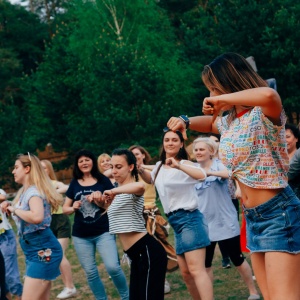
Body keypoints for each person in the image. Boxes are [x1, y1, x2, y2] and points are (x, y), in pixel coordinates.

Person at [167, 52, 300, 300]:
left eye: (215, 89)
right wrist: (185, 121)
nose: (212, 97)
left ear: (232, 83)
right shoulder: (229, 121)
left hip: (279, 214)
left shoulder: (265, 113)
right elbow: (208, 124)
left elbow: (269, 94)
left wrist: (221, 99)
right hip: (253, 218)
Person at [138, 129, 213, 300]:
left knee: (196, 270)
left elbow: (202, 175)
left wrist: (178, 165)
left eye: (174, 140)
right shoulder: (158, 167)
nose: (170, 143)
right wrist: (140, 170)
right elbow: (151, 179)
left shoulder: (186, 164)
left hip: (190, 219)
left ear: (181, 144)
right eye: (166, 140)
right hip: (175, 222)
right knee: (186, 274)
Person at [88, 149, 168, 300]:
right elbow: (112, 211)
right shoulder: (118, 192)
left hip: (147, 251)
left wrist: (112, 191)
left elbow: (140, 188)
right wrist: (100, 202)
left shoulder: (132, 187)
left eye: (119, 167)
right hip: (135, 255)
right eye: (112, 167)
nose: (114, 171)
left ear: (130, 167)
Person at [193, 137, 260, 300]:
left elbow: (228, 174)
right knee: (206, 263)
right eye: (196, 150)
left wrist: (208, 172)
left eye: (202, 149)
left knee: (236, 258)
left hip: (225, 221)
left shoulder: (219, 165)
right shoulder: (192, 168)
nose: (198, 152)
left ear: (211, 151)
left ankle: (253, 292)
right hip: (204, 223)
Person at [63, 149, 129, 300]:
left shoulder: (103, 181)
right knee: (91, 272)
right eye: (81, 161)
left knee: (113, 267)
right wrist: (73, 207)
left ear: (93, 161)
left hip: (103, 232)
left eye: (87, 159)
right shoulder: (74, 183)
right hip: (81, 236)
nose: (84, 163)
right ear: (77, 165)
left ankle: (126, 297)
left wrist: (100, 201)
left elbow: (113, 204)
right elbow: (65, 208)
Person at [2, 153, 63, 300]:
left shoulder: (33, 192)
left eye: (16, 167)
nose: (13, 171)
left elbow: (36, 217)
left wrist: (14, 210)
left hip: (42, 249)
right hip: (35, 249)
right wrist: (11, 205)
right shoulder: (26, 191)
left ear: (27, 169)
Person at [129, 145, 177, 294]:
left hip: (151, 213)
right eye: (132, 155)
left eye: (137, 154)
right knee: (138, 250)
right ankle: (142, 280)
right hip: (133, 215)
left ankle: (162, 280)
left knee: (157, 247)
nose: (135, 156)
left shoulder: (151, 171)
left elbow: (162, 169)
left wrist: (141, 167)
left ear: (143, 155)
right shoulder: (127, 173)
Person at [40, 159, 76, 299]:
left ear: (49, 170)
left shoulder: (54, 184)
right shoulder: (35, 187)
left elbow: (68, 188)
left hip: (60, 220)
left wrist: (53, 191)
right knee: (49, 256)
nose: (43, 170)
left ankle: (70, 287)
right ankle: (64, 286)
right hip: (45, 224)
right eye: (40, 168)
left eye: (45, 168)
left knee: (59, 254)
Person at [0, 189, 23, 300]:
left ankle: (21, 296)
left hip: (4, 236)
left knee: (10, 274)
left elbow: (2, 196)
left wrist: (6, 203)